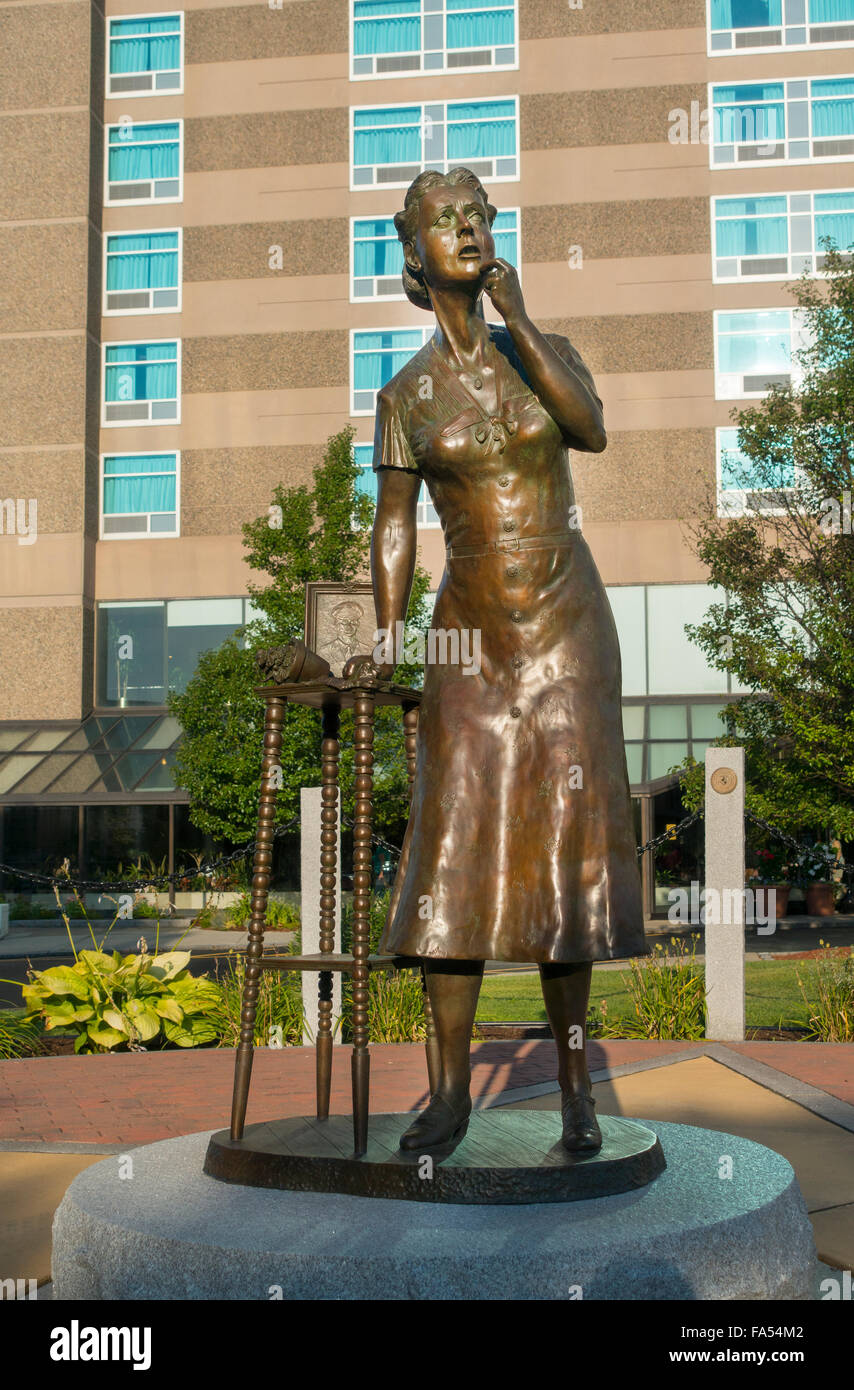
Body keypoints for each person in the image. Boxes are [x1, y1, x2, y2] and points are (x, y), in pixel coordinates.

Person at [346, 166, 647, 1152]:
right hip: (465, 631)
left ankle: (575, 1090)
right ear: (415, 252)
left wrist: (519, 320)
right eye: (448, 220)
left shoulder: (542, 352)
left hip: (564, 618)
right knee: (454, 851)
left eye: (480, 215)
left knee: (565, 866)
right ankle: (448, 1092)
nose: (469, 229)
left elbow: (590, 429)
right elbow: (393, 530)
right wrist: (385, 644)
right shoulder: (404, 394)